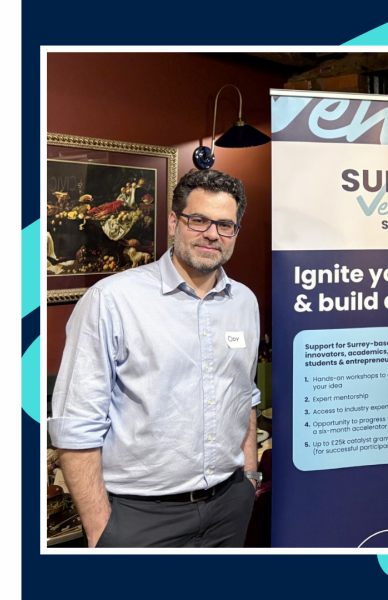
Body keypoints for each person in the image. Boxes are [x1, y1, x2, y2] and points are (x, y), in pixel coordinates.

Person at [48, 169, 261, 548]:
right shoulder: (112, 299)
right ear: (174, 222)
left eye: (225, 225)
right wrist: (101, 528)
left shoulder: (245, 302)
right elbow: (75, 425)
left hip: (229, 507)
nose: (212, 233)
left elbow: (245, 395)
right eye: (199, 220)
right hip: (140, 519)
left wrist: (249, 476)